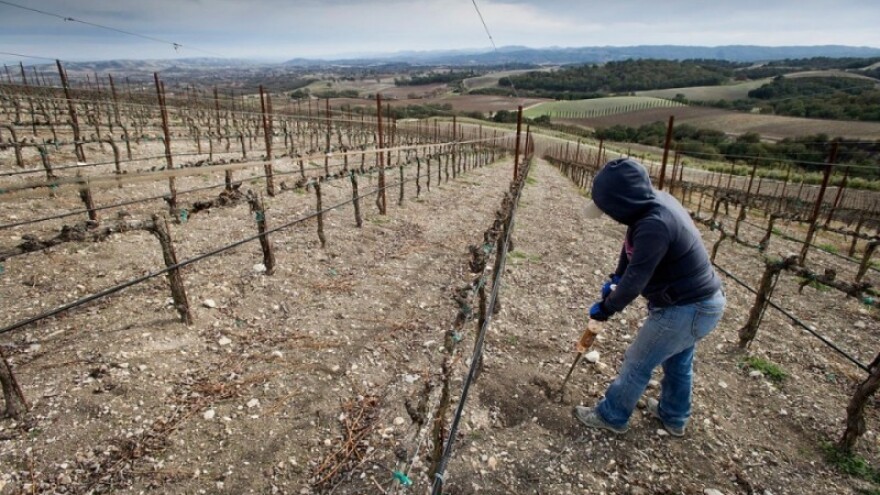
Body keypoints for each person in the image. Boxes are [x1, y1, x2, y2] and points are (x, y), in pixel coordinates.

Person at [574, 157, 725, 437]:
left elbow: (635, 282)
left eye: (609, 209)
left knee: (638, 361)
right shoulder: (649, 204)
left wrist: (606, 308)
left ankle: (613, 416)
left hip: (687, 308)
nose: (608, 214)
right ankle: (674, 417)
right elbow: (630, 245)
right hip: (700, 304)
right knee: (678, 362)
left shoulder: (656, 225)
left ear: (621, 202)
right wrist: (616, 276)